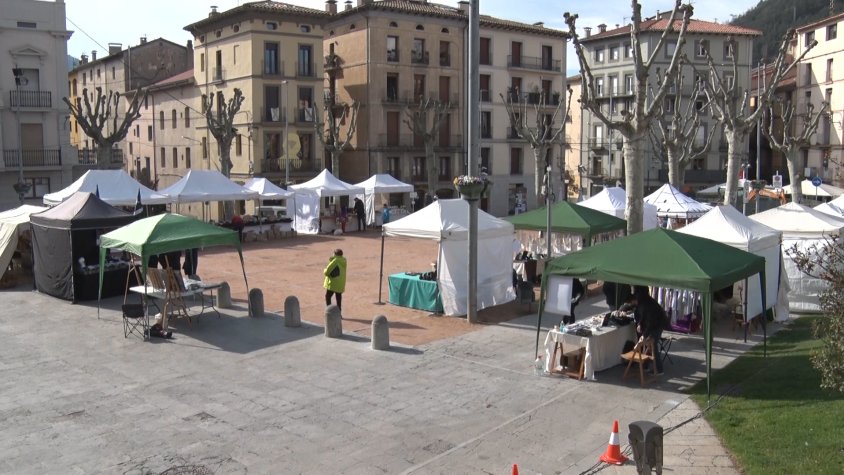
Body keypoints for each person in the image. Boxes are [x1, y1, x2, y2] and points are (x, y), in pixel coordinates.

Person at [618, 285, 669, 375]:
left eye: (631, 303)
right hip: (653, 323)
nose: (631, 305)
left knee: (652, 344)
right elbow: (639, 315)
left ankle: (659, 370)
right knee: (648, 344)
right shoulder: (640, 302)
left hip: (657, 324)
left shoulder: (646, 305)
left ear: (634, 300)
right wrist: (640, 324)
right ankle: (645, 365)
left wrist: (644, 335)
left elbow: (650, 322)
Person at [323, 248, 347, 314]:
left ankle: (329, 311)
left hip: (333, 282)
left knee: (328, 296)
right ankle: (339, 313)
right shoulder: (343, 260)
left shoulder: (335, 260)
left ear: (335, 254)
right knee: (338, 298)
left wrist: (324, 270)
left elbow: (327, 272)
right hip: (340, 283)